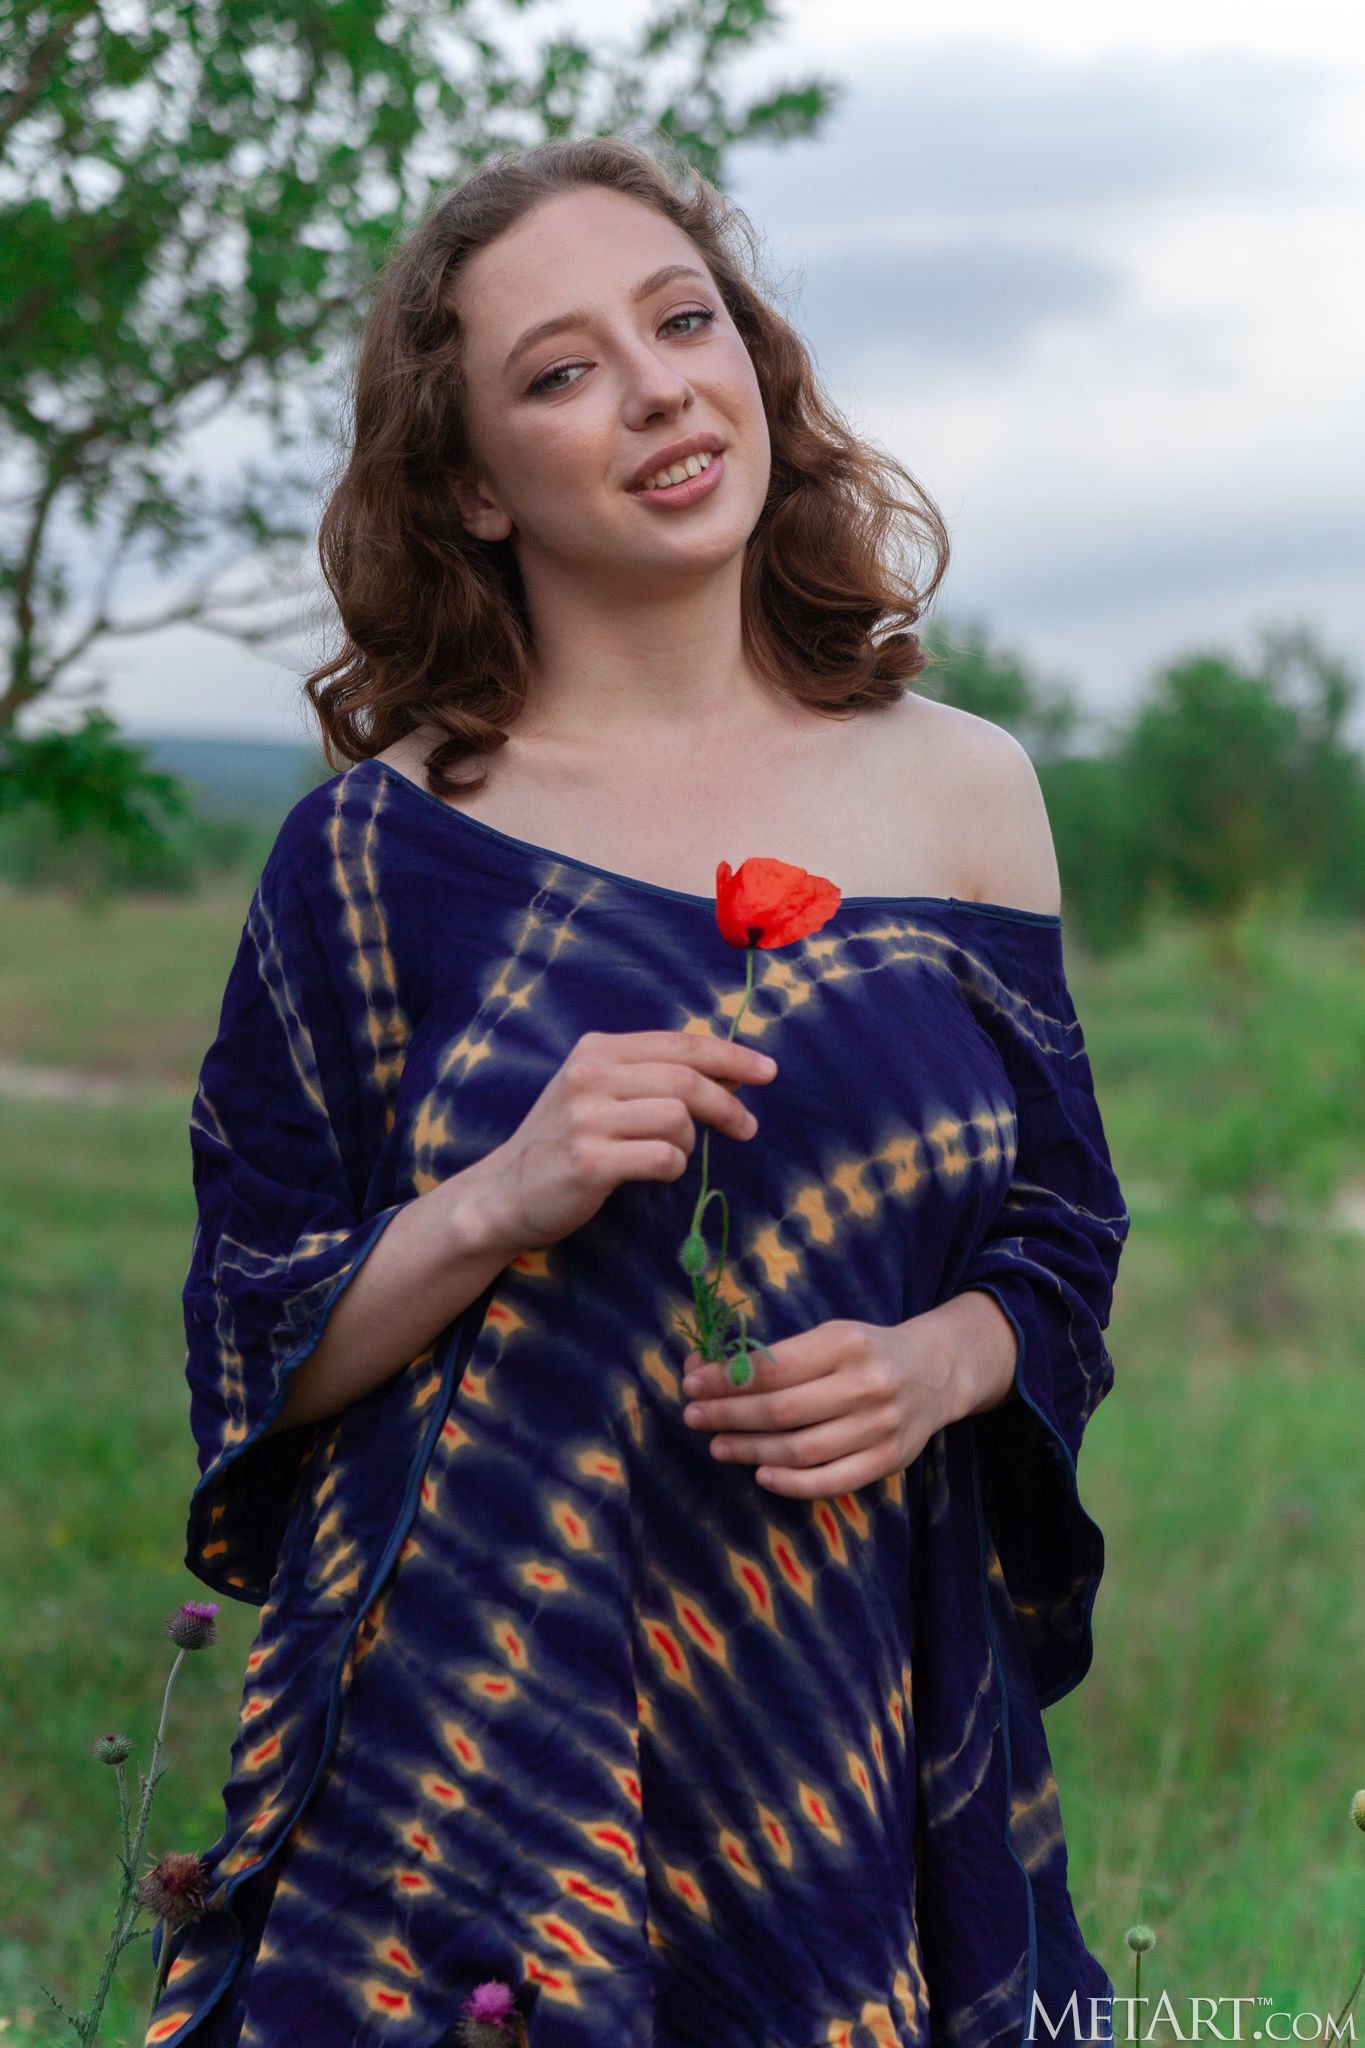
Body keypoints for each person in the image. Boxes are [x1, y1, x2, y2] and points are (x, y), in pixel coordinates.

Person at [146, 134, 1130, 2048]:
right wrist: (493, 1198)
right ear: (472, 485)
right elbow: (257, 1337)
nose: (657, 388)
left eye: (682, 324)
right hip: (470, 1740)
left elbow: (1061, 1233)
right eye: (560, 370)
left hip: (838, 1706)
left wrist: (940, 1363)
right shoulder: (372, 856)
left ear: (751, 358)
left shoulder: (964, 791)